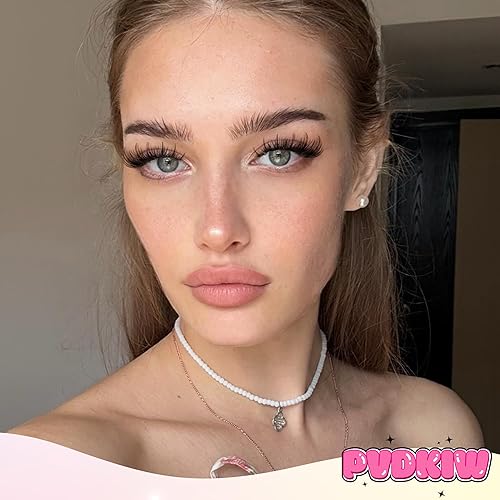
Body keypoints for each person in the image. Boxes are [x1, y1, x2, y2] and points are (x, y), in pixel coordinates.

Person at [7, 0, 484, 479]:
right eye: (164, 160)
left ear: (363, 167)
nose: (217, 230)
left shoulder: (434, 434)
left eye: (279, 154)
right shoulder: (46, 472)